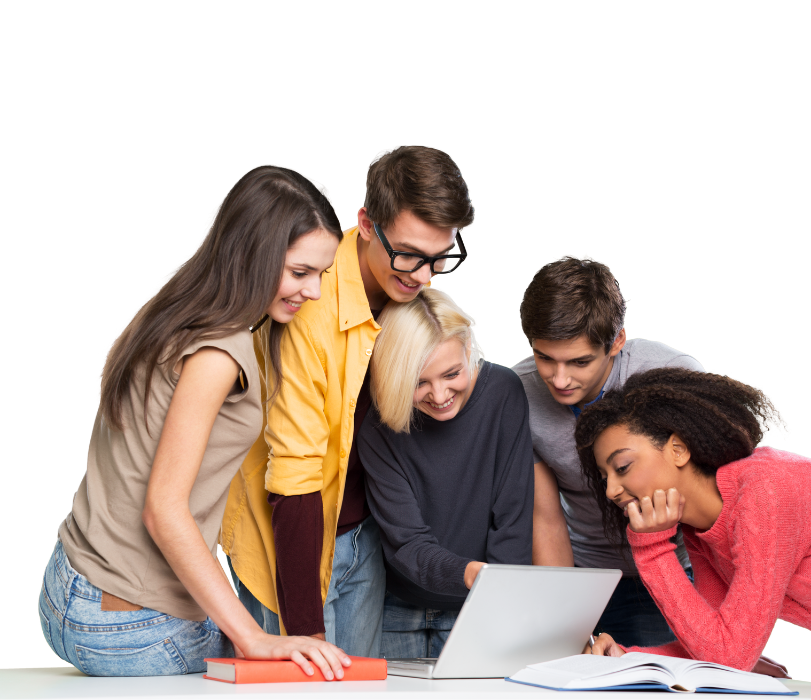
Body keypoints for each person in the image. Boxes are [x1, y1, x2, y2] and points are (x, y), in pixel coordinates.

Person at [38, 165, 353, 677]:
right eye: (300, 273)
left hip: (68, 585)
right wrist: (251, 638)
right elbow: (163, 509)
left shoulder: (177, 299)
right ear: (252, 254)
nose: (313, 291)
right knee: (297, 670)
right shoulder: (220, 351)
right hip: (126, 621)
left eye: (322, 274)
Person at [220, 146, 476, 657]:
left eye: (440, 257)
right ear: (364, 222)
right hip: (291, 541)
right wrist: (305, 631)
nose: (423, 276)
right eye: (408, 254)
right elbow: (294, 475)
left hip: (365, 536)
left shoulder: (414, 293)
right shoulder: (308, 308)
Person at [578, 367, 811, 669]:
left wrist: (650, 550)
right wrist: (626, 657)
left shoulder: (763, 492)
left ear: (677, 449)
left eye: (622, 467)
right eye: (605, 478)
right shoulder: (700, 528)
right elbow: (712, 644)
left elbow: (730, 656)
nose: (611, 491)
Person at [512, 254, 703, 647]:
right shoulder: (519, 393)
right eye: (545, 357)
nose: (559, 379)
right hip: (585, 577)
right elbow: (544, 517)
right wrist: (567, 618)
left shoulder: (672, 376)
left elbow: (728, 495)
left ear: (617, 341)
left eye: (579, 361)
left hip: (673, 568)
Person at [357, 287, 533, 658]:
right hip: (395, 608)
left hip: (479, 607)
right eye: (419, 382)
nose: (439, 395)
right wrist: (471, 573)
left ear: (469, 349)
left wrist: (497, 599)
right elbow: (406, 542)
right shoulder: (377, 424)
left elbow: (513, 522)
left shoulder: (504, 393)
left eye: (452, 373)